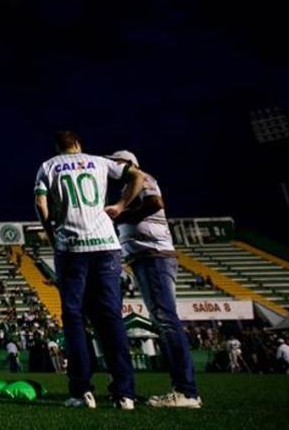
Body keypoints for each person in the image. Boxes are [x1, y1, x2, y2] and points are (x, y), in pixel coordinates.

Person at [35, 130, 143, 410]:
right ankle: (125, 393)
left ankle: (82, 391)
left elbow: (40, 203)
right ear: (79, 144)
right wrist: (120, 205)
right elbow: (138, 176)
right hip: (106, 244)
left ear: (58, 147)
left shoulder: (48, 166)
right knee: (111, 318)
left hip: (71, 247)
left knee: (73, 318)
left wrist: (51, 231)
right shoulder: (99, 161)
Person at [106, 150, 202, 409]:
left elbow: (155, 203)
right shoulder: (128, 188)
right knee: (164, 320)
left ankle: (186, 391)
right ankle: (185, 388)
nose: (112, 167)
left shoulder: (141, 178)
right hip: (147, 257)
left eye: (116, 162)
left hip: (154, 256)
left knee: (166, 320)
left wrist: (120, 214)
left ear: (129, 164)